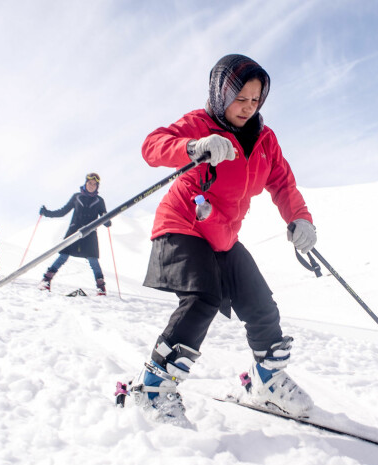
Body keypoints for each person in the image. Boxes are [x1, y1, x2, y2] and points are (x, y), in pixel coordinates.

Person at [126, 54, 318, 425]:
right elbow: (152, 146)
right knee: (203, 298)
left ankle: (265, 382)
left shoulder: (265, 139)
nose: (248, 108)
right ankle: (153, 387)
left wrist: (300, 219)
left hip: (224, 234)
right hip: (183, 222)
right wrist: (194, 148)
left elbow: (282, 183)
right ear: (220, 93)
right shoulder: (198, 124)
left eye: (255, 100)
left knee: (261, 305)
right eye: (240, 98)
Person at [38, 173, 112, 295]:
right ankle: (46, 280)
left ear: (97, 186)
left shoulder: (99, 201)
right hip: (74, 232)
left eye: (94, 184)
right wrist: (46, 213)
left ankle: (101, 288)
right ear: (85, 183)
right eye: (89, 183)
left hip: (90, 234)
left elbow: (104, 216)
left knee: (93, 260)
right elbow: (63, 212)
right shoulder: (77, 197)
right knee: (63, 256)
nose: (92, 186)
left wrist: (107, 221)